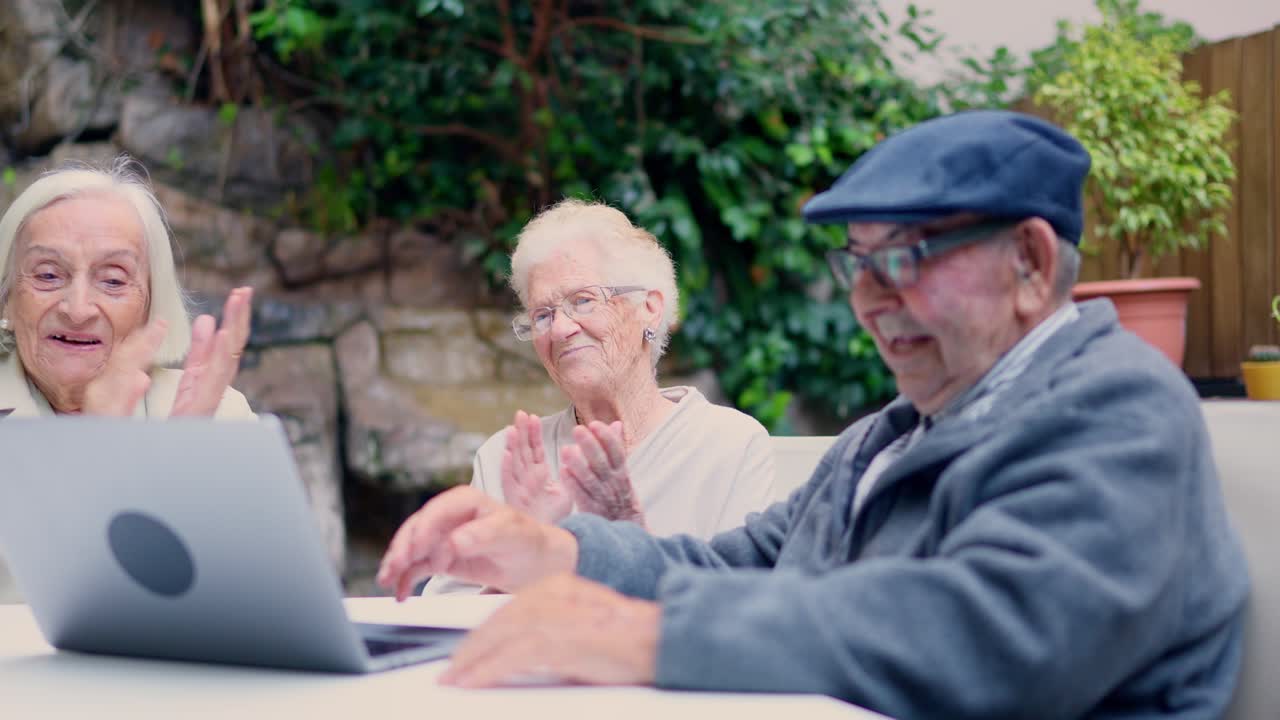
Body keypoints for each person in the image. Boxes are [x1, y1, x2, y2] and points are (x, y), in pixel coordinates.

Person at [378, 110, 1249, 718]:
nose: (871, 300)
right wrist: (554, 550)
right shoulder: (896, 430)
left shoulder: (1116, 406)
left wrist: (647, 637)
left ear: (1028, 259)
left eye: (905, 258)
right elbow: (743, 564)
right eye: (859, 265)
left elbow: (989, 638)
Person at [424, 199, 775, 593]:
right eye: (542, 315)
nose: (559, 330)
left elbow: (743, 610)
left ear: (649, 308)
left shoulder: (728, 446)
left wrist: (614, 546)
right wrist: (526, 554)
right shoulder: (506, 457)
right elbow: (446, 621)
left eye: (583, 301)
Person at [0, 158, 254, 418]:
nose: (78, 310)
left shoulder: (215, 416)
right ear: (6, 297)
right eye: (48, 275)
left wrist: (184, 452)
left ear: (150, 305)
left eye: (113, 280)